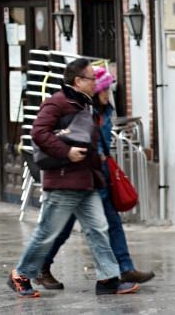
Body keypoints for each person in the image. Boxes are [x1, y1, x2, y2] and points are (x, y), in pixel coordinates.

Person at [7, 58, 139, 298]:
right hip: (63, 181)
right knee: (48, 232)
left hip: (87, 180)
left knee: (99, 228)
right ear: (78, 81)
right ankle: (21, 273)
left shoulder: (85, 104)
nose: (96, 82)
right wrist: (66, 152)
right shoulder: (57, 103)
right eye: (92, 78)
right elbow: (38, 132)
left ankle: (108, 279)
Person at [36, 66, 154, 289]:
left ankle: (122, 269)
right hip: (79, 175)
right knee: (68, 228)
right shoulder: (77, 108)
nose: (108, 93)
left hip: (97, 174)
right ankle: (34, 268)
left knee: (108, 223)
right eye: (105, 88)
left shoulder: (104, 111)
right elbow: (44, 134)